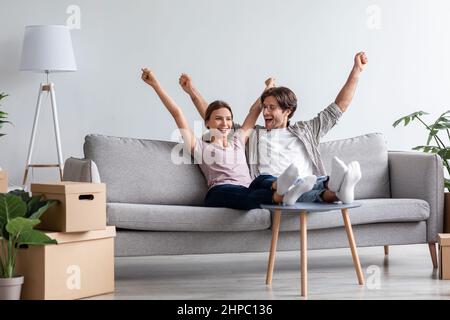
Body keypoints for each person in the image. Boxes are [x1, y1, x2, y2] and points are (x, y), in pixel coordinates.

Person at [179, 52, 368, 204]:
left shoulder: (307, 130)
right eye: (264, 107)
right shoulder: (254, 135)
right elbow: (216, 118)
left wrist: (356, 71)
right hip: (273, 187)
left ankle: (337, 186)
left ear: (287, 111)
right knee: (304, 187)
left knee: (316, 185)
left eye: (271, 108)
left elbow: (338, 108)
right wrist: (192, 91)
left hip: (307, 183)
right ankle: (336, 186)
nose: (265, 112)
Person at [141, 68, 318, 210]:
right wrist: (155, 84)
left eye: (228, 119)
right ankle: (282, 195)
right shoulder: (200, 147)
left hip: (248, 187)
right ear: (208, 122)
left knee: (263, 179)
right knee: (249, 197)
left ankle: (285, 187)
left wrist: (268, 89)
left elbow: (253, 113)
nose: (224, 123)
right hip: (221, 191)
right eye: (218, 119)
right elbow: (177, 113)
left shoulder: (237, 142)